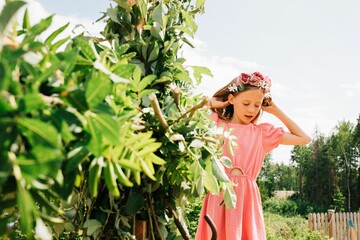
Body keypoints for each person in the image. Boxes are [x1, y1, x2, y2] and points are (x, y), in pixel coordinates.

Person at [195, 72, 311, 240]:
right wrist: (211, 103)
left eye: (257, 105)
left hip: (246, 198)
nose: (251, 110)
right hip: (219, 193)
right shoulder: (216, 125)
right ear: (232, 99)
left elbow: (304, 139)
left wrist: (276, 111)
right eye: (246, 103)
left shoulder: (261, 133)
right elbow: (187, 119)